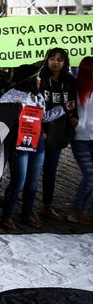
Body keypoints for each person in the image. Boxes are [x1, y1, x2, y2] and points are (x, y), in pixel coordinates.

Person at [0, 64, 68, 230]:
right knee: (19, 180)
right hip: (20, 143)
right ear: (29, 79)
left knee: (33, 181)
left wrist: (64, 109)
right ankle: (7, 215)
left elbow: (43, 117)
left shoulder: (38, 97)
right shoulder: (9, 97)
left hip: (38, 142)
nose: (39, 80)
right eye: (36, 77)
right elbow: (3, 118)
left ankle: (27, 213)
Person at [38, 47, 77, 221]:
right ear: (47, 60)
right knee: (28, 171)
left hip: (58, 133)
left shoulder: (70, 82)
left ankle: (47, 205)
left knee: (51, 170)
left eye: (60, 59)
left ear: (65, 62)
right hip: (38, 132)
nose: (56, 62)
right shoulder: (40, 80)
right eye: (52, 58)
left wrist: (71, 122)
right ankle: (24, 207)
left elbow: (74, 106)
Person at [70, 56, 93, 224]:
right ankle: (78, 209)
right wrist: (74, 122)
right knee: (90, 174)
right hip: (81, 138)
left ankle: (82, 210)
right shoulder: (76, 89)